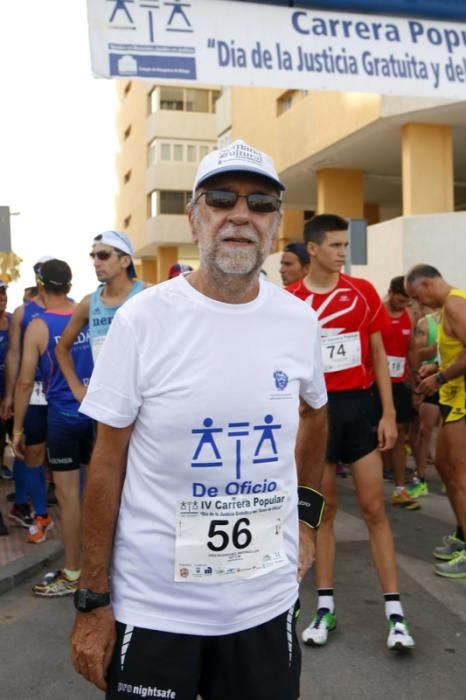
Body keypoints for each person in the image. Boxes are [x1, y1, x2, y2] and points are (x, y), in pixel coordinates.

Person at [71, 139, 328, 699]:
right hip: (157, 608)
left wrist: (307, 522)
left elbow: (315, 415)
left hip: (266, 603)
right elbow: (107, 463)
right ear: (194, 217)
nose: (240, 214)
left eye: (260, 203)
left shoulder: (298, 320)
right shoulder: (143, 320)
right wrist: (93, 600)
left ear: (275, 223)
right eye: (220, 199)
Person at [287, 214, 415, 651]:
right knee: (322, 512)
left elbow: (378, 354)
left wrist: (388, 414)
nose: (344, 252)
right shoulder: (291, 301)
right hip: (317, 415)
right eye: (337, 245)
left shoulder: (362, 293)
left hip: (360, 408)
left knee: (375, 508)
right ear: (314, 249)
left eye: (346, 245)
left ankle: (395, 614)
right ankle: (325, 606)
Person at [13, 259, 94, 591]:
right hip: (97, 415)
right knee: (98, 495)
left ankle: (74, 574)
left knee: (70, 498)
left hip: (62, 417)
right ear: (70, 286)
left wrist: (17, 428)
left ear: (41, 285)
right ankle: (100, 569)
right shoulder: (89, 313)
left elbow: (24, 382)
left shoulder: (38, 325)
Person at [406, 264, 466, 577]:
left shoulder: (455, 303)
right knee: (444, 468)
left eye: (419, 296)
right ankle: (461, 534)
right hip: (451, 399)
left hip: (460, 402)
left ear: (428, 284)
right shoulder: (448, 307)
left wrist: (440, 377)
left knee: (458, 477)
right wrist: (437, 369)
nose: (421, 304)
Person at [55, 230, 146, 401]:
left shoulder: (148, 294)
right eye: (93, 256)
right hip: (105, 401)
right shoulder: (89, 303)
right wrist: (77, 389)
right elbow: (61, 348)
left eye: (103, 255)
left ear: (125, 260)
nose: (96, 262)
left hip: (145, 399)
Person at [1, 256, 52, 531]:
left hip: (59, 395)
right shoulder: (24, 312)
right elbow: (14, 355)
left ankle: (25, 504)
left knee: (42, 456)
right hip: (31, 394)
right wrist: (9, 395)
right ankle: (35, 511)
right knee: (29, 451)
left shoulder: (73, 310)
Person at [378, 276, 420, 510]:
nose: (402, 304)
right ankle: (371, 486)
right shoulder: (379, 311)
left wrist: (416, 383)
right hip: (376, 383)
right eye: (400, 299)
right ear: (391, 293)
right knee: (371, 437)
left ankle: (400, 488)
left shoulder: (409, 315)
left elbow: (411, 349)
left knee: (399, 435)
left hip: (399, 382)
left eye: (406, 301)